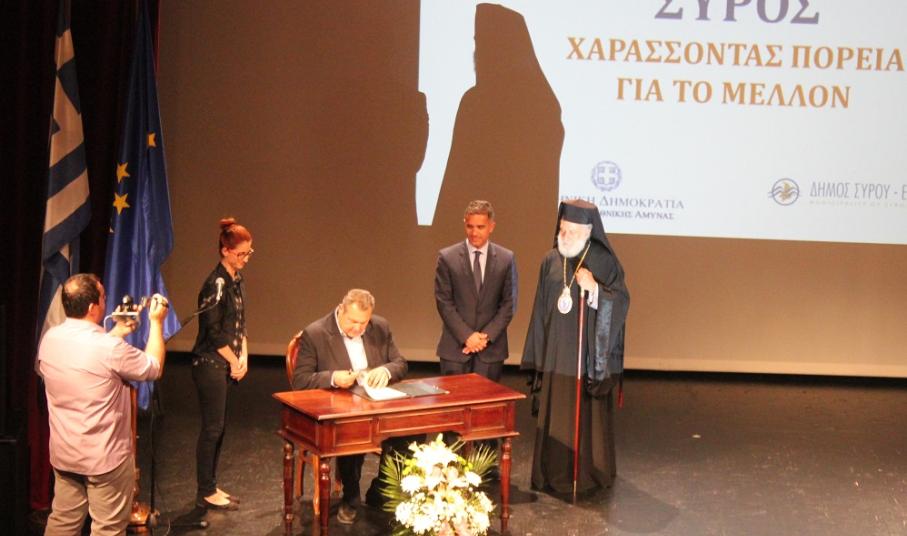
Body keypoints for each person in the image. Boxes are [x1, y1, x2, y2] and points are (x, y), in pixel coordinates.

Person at [38, 273, 169, 535]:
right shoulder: (108, 348)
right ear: (92, 307)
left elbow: (88, 362)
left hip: (65, 454)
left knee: (63, 522)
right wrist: (156, 323)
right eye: (103, 297)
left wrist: (117, 333)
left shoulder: (50, 338)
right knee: (108, 528)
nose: (105, 301)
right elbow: (153, 367)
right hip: (104, 460)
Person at [520, 199, 630, 497]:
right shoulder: (551, 260)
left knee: (585, 419)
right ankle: (550, 473)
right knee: (555, 414)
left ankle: (587, 474)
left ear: (587, 232)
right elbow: (540, 311)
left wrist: (594, 289)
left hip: (585, 359)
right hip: (556, 357)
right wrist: (539, 357)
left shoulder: (604, 261)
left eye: (572, 231)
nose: (565, 236)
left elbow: (620, 301)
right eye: (562, 230)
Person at [291, 289, 410, 525]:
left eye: (363, 323)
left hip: (377, 402)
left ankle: (381, 489)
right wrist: (333, 378)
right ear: (341, 310)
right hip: (340, 407)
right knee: (351, 432)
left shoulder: (380, 326)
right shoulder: (316, 333)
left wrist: (385, 371)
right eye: (353, 321)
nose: (358, 328)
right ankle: (351, 496)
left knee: (410, 429)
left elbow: (400, 363)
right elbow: (300, 381)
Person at [191, 218, 252, 510]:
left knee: (219, 428)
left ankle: (211, 485)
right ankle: (205, 490)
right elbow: (213, 333)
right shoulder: (214, 285)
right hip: (209, 364)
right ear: (226, 251)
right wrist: (233, 359)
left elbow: (240, 323)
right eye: (241, 254)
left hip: (226, 362)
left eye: (249, 253)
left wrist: (243, 357)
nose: (246, 259)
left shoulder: (236, 281)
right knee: (212, 428)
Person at [434, 199, 517, 382]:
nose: (474, 232)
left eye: (480, 227)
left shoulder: (506, 258)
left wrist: (484, 338)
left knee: (487, 400)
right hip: (455, 349)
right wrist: (467, 336)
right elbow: (444, 302)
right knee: (455, 400)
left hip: (490, 351)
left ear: (491, 226)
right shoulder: (447, 258)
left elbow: (509, 304)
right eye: (470, 226)